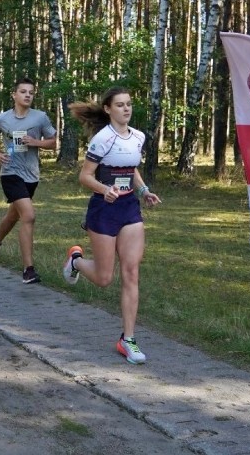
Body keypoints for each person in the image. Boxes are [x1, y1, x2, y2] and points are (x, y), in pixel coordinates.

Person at [63, 87, 161, 365]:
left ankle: (127, 339)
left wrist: (143, 191)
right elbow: (85, 176)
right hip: (104, 209)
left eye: (129, 104)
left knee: (131, 272)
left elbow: (132, 169)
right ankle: (76, 261)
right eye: (120, 105)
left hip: (129, 208)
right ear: (108, 109)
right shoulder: (102, 139)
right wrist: (103, 189)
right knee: (105, 278)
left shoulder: (138, 137)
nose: (126, 109)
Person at [0, 77, 57, 284]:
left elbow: (53, 143)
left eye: (31, 92)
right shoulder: (2, 118)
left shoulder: (40, 117)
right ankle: (28, 269)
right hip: (10, 173)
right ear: (14, 95)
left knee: (14, 216)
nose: (27, 95)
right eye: (23, 92)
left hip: (31, 174)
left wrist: (36, 142)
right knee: (29, 216)